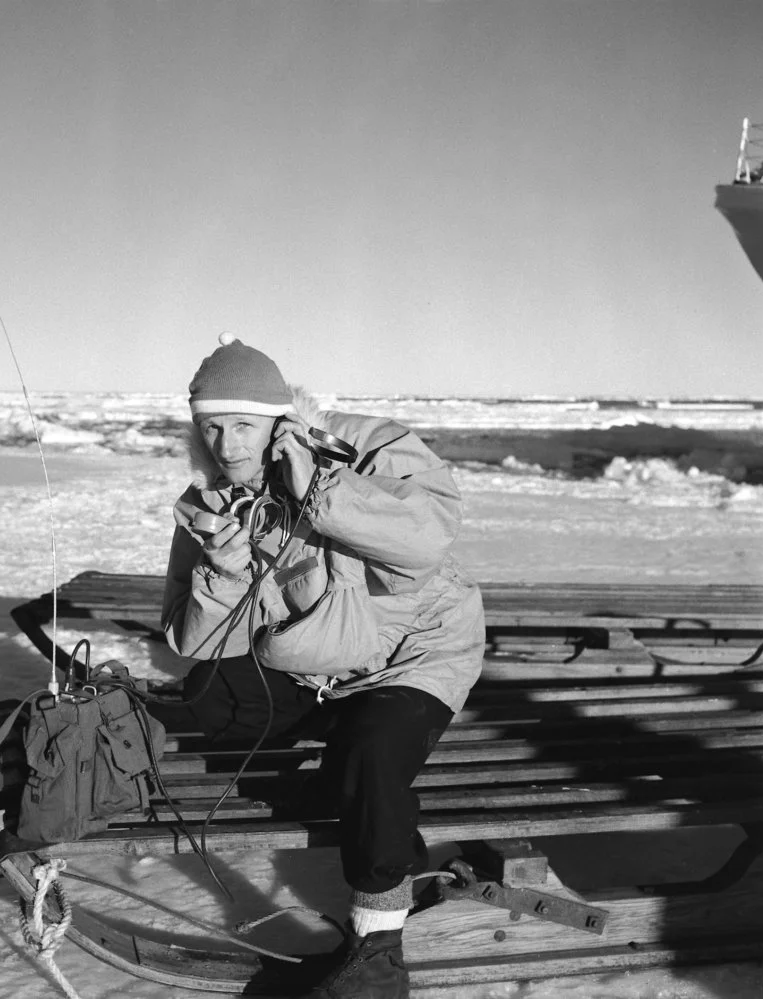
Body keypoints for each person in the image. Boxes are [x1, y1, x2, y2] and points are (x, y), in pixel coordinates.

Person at [161, 334, 485, 999]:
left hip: (414, 655)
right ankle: (371, 829)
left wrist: (322, 489)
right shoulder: (210, 501)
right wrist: (221, 570)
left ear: (279, 419)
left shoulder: (364, 445)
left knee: (371, 753)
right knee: (206, 701)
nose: (226, 445)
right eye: (211, 426)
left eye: (243, 424)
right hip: (319, 667)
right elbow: (193, 640)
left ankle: (378, 954)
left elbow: (424, 540)